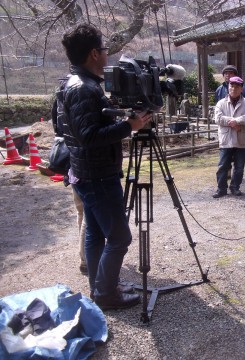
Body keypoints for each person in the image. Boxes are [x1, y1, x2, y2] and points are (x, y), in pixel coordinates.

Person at [61, 23, 151, 309]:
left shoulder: (75, 83)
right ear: (93, 54)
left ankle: (101, 287)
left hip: (87, 172)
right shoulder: (84, 89)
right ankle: (105, 295)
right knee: (119, 237)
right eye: (104, 50)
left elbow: (84, 129)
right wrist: (129, 126)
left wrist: (122, 121)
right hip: (97, 175)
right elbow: (88, 137)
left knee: (96, 233)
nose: (107, 56)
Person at [51, 75, 88, 276]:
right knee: (88, 215)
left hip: (70, 163)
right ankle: (86, 259)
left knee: (81, 211)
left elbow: (57, 128)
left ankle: (83, 255)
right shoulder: (81, 92)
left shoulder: (60, 95)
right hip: (83, 164)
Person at [212, 76, 245, 198]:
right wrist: (233, 122)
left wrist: (237, 121)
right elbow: (218, 118)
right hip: (226, 139)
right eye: (231, 86)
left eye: (237, 87)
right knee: (222, 165)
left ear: (241, 89)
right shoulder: (221, 103)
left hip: (241, 139)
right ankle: (221, 188)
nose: (234, 89)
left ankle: (235, 187)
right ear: (228, 88)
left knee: (239, 167)